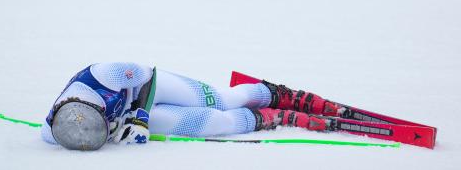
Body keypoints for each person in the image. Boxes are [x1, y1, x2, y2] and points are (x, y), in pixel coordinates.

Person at [41, 62, 342, 151]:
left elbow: (146, 76)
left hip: (152, 88)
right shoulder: (55, 132)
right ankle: (270, 117)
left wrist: (140, 118)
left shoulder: (104, 75)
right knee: (214, 123)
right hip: (131, 117)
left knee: (223, 100)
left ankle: (273, 94)